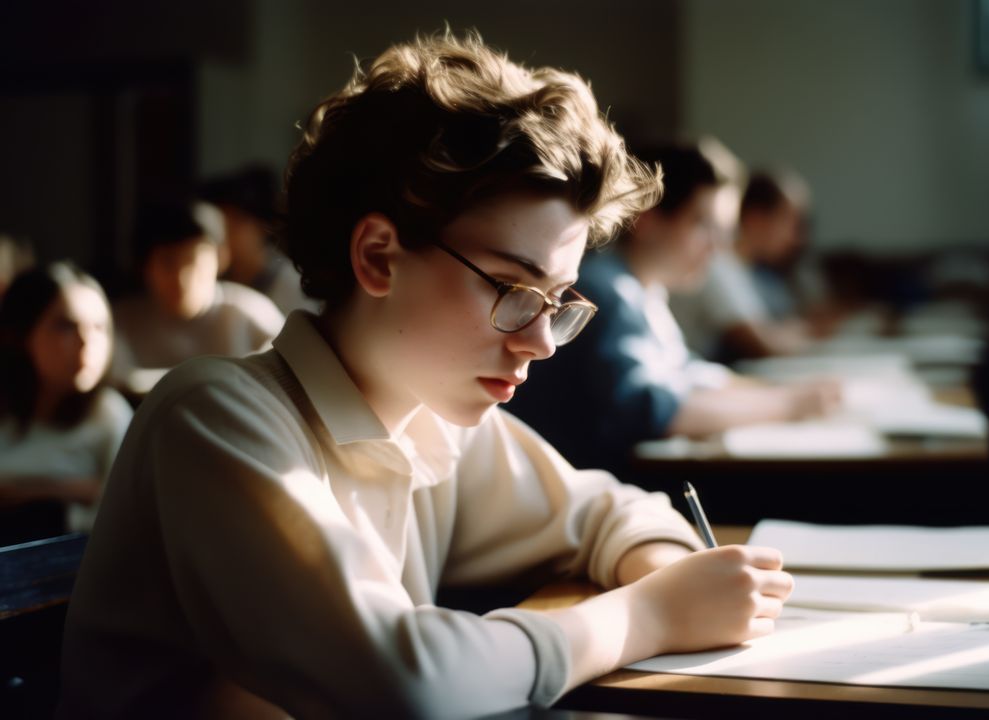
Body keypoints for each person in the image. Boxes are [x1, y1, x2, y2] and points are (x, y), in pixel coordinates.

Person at [59, 33, 793, 718]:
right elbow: (403, 677)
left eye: (558, 302)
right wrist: (650, 613)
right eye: (510, 287)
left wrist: (666, 571)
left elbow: (609, 512)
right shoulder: (216, 417)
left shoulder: (427, 420)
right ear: (378, 256)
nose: (542, 341)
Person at [508, 142, 837, 480]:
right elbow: (650, 410)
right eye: (702, 225)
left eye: (723, 232)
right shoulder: (606, 291)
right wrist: (787, 406)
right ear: (646, 219)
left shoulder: (646, 291)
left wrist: (791, 394)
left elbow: (688, 374)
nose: (717, 249)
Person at [0, 262, 132, 544]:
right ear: (22, 333)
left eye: (99, 327)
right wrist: (69, 489)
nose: (87, 342)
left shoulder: (108, 414)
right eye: (66, 326)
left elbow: (122, 518)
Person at [109, 199, 285, 396]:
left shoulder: (250, 314)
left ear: (221, 257)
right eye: (168, 262)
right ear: (144, 266)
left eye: (192, 261)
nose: (181, 277)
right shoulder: (120, 322)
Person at [670, 169, 823, 362]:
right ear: (755, 218)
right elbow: (763, 345)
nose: (794, 237)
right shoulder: (717, 265)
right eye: (787, 220)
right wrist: (808, 333)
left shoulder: (744, 269)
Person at [200, 164, 321, 315]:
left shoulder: (291, 286)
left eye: (236, 222)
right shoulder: (212, 283)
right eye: (219, 223)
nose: (225, 232)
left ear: (262, 224)